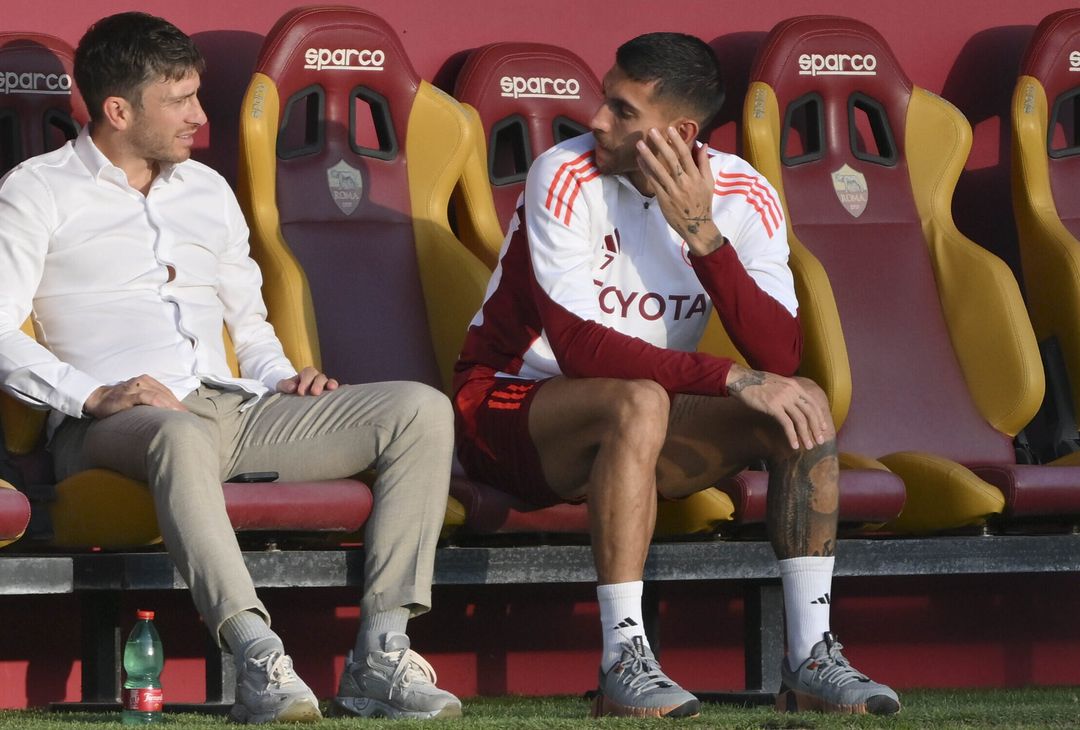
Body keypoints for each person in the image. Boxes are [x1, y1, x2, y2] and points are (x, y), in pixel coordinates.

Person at [0, 12, 460, 723]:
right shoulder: (38, 190)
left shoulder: (207, 191)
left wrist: (283, 377)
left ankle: (382, 652)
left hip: (236, 408)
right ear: (119, 110)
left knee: (419, 410)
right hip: (116, 427)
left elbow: (249, 323)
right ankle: (255, 653)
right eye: (178, 99)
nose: (197, 115)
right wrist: (93, 395)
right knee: (178, 435)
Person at [454, 32, 900, 718]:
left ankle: (810, 657)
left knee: (801, 404)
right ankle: (622, 660)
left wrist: (704, 240)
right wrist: (728, 377)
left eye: (622, 110)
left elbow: (779, 355)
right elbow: (575, 347)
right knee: (639, 401)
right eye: (605, 100)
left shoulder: (744, 194)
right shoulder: (561, 174)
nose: (597, 121)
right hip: (509, 410)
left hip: (643, 421)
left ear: (680, 131)